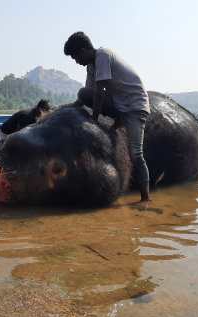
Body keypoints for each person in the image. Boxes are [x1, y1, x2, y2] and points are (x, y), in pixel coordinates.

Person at [63, 31, 151, 202]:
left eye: (76, 57)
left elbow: (100, 91)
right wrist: (71, 108)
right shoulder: (91, 66)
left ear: (84, 50)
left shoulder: (102, 55)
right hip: (119, 104)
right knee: (83, 93)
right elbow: (88, 94)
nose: (76, 62)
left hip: (134, 106)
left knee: (136, 153)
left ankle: (145, 198)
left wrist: (94, 121)